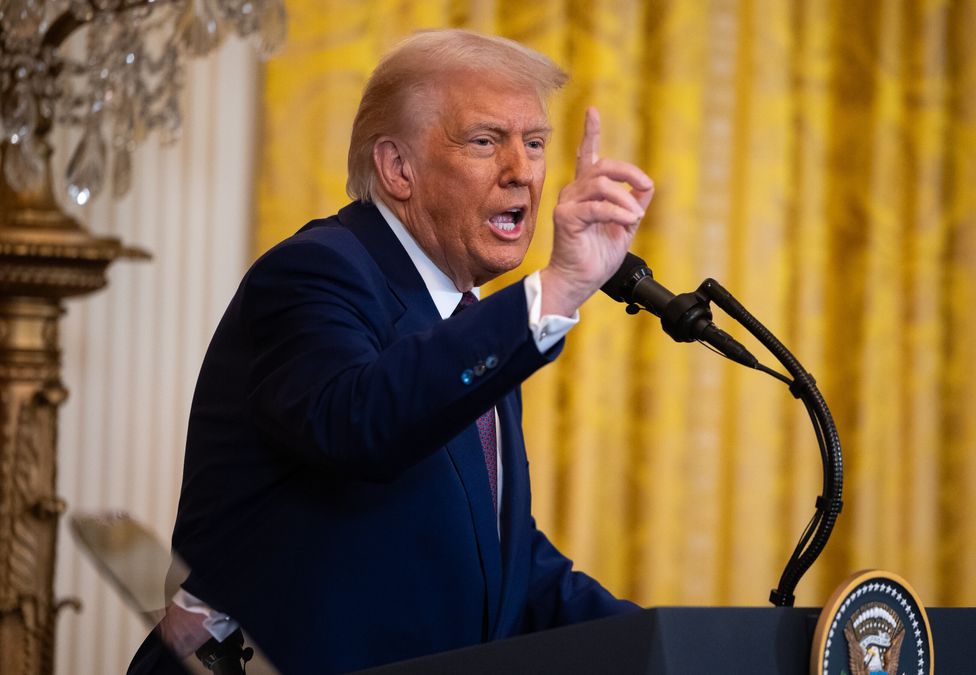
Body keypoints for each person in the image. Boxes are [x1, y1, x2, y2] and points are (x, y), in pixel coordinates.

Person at [128, 28, 654, 674]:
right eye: (486, 141)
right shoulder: (316, 271)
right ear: (397, 168)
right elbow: (361, 421)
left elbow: (495, 557)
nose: (521, 171)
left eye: (536, 143)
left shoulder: (471, 319)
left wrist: (669, 644)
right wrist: (555, 290)